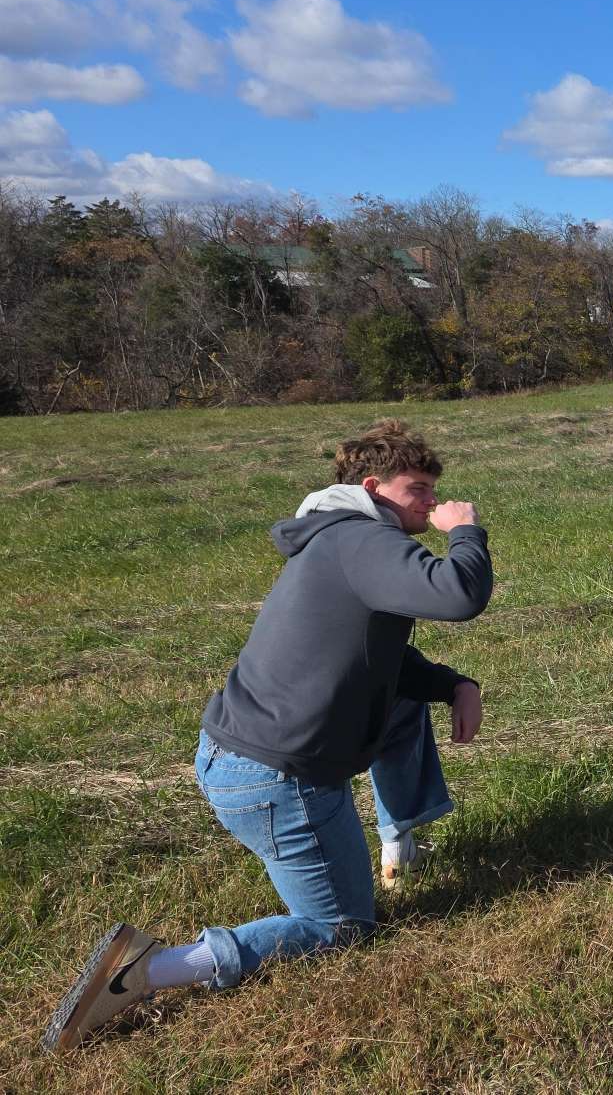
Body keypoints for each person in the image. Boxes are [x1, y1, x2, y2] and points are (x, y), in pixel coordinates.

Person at [44, 419, 493, 1052]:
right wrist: (465, 531)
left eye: (434, 492)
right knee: (339, 926)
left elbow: (377, 656)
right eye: (417, 489)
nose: (431, 501)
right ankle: (148, 970)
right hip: (278, 780)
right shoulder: (363, 539)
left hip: (243, 756)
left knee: (403, 706)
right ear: (373, 488)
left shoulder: (339, 538)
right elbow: (458, 594)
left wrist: (453, 684)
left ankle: (399, 845)